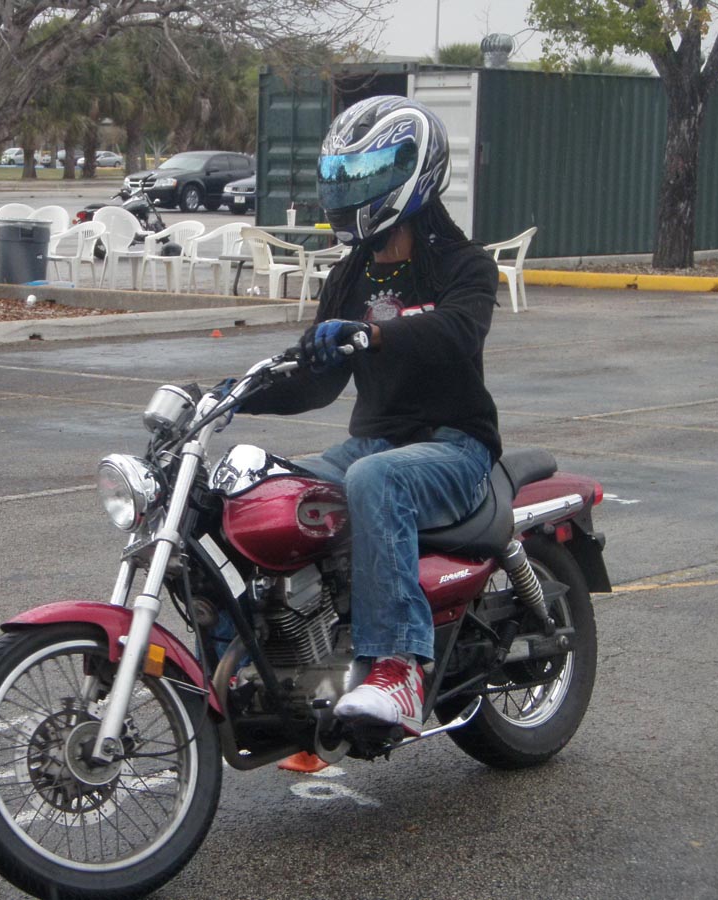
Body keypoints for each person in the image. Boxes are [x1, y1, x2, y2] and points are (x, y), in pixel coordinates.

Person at [237, 96, 502, 738]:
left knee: (374, 480)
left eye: (366, 174)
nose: (349, 190)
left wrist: (372, 335)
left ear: (414, 171)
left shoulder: (464, 265)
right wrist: (237, 394)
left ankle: (398, 667)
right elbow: (316, 383)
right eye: (341, 176)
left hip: (455, 446)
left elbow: (458, 333)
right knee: (265, 490)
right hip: (375, 443)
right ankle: (274, 659)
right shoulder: (350, 277)